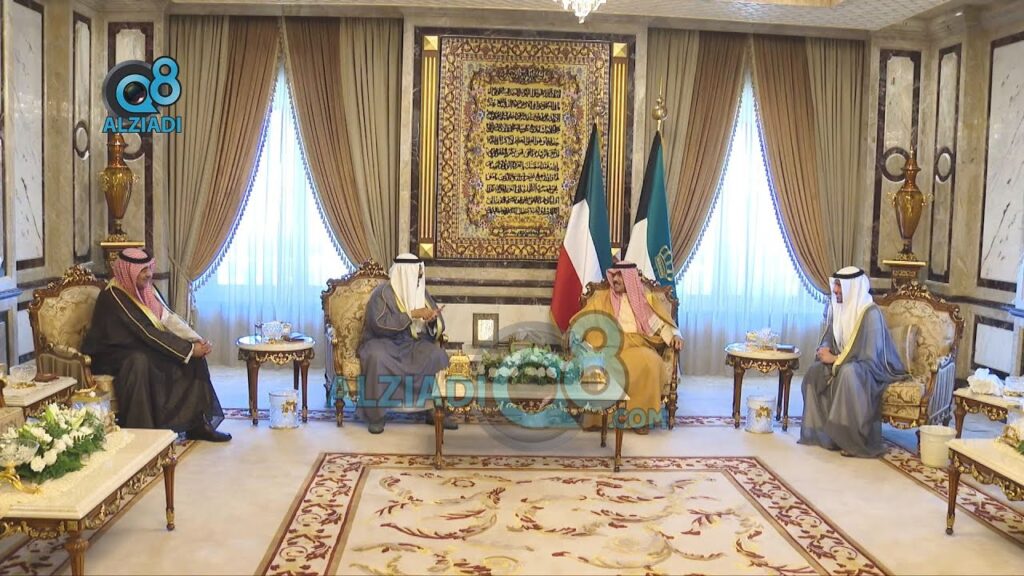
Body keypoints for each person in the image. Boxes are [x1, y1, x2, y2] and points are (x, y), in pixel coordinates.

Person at [82, 248, 230, 442]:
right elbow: (146, 331)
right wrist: (188, 350)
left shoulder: (146, 290)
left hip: (140, 347)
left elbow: (168, 319)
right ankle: (143, 433)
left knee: (193, 360)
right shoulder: (114, 296)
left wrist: (196, 341)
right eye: (142, 270)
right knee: (141, 361)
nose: (148, 274)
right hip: (112, 355)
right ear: (128, 271)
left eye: (149, 268)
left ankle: (197, 424)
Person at [799, 266, 907, 457]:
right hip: (844, 362)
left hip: (870, 368)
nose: (835, 290)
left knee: (848, 374)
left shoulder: (871, 313)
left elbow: (870, 355)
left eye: (840, 286)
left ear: (853, 288)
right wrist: (825, 349)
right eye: (835, 285)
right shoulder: (839, 308)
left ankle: (851, 440)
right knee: (814, 373)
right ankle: (828, 435)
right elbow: (830, 336)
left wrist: (836, 360)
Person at [570, 261, 683, 434]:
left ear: (630, 279)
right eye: (614, 275)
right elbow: (585, 319)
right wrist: (576, 335)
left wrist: (675, 336)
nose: (615, 279)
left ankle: (641, 420)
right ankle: (600, 419)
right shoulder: (603, 298)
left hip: (637, 344)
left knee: (651, 362)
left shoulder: (644, 300)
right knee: (600, 364)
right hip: (609, 346)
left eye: (620, 276)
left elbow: (660, 324)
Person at [358, 254, 453, 434]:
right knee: (377, 357)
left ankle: (434, 410)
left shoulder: (421, 292)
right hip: (383, 342)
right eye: (416, 275)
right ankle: (376, 416)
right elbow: (378, 324)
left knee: (437, 355)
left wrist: (431, 320)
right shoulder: (382, 294)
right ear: (404, 274)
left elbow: (435, 324)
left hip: (412, 343)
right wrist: (412, 314)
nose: (418, 279)